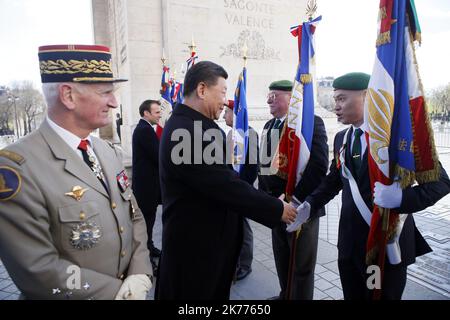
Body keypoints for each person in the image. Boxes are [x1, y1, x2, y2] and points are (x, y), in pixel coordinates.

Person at [0, 44, 152, 300]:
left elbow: (133, 215)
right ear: (68, 96)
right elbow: (37, 269)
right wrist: (118, 294)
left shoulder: (106, 151)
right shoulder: (17, 169)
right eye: (105, 92)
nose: (114, 102)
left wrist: (139, 272)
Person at [300, 72, 450, 300]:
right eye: (335, 99)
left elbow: (440, 183)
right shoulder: (342, 137)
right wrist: (309, 205)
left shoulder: (398, 139)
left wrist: (402, 199)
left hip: (387, 245)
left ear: (367, 97)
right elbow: (334, 180)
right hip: (349, 245)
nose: (336, 106)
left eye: (342, 99)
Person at [155, 61, 297, 300]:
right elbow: (224, 185)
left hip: (203, 248)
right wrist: (276, 209)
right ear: (202, 90)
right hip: (196, 254)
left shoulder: (193, 125)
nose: (225, 101)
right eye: (222, 92)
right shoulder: (188, 131)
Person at [258, 80, 329, 300]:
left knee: (301, 265)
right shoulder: (269, 126)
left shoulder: (310, 124)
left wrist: (295, 199)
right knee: (281, 257)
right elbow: (263, 166)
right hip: (275, 206)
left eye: (275, 96)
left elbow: (318, 166)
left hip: (301, 207)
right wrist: (265, 199)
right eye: (269, 95)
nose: (269, 100)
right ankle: (285, 295)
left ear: (292, 99)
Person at [223, 99, 258, 281]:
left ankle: (245, 264)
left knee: (243, 228)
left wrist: (241, 188)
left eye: (226, 113)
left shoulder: (249, 135)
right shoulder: (230, 135)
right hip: (230, 189)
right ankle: (235, 260)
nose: (223, 116)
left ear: (234, 114)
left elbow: (252, 167)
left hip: (241, 189)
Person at [132, 99, 162, 271]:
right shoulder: (144, 131)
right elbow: (158, 156)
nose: (159, 115)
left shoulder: (145, 129)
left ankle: (150, 247)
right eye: (156, 112)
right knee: (145, 225)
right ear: (146, 113)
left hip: (148, 187)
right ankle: (146, 260)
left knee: (148, 222)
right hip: (146, 189)